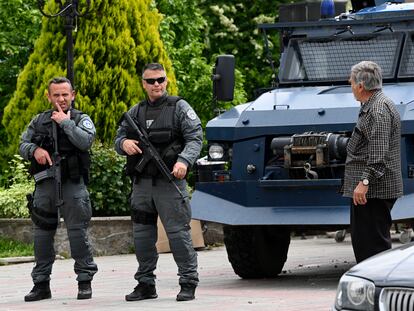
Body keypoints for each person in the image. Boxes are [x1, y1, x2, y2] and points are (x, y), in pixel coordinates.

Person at [114, 63, 203, 302]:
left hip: (170, 183)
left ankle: (188, 282)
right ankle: (145, 284)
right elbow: (118, 137)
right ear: (143, 83)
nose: (157, 84)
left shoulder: (179, 107)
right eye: (151, 81)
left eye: (160, 80)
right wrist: (123, 144)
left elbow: (195, 137)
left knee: (178, 234)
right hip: (142, 185)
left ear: (166, 80)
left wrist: (184, 161)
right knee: (142, 236)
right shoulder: (136, 111)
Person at [20, 77, 98, 301]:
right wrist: (34, 150)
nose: (61, 99)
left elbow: (85, 142)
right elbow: (23, 143)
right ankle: (41, 284)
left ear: (73, 95)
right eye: (56, 95)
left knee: (77, 234)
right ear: (48, 96)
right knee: (42, 235)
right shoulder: (39, 121)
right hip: (45, 184)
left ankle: (84, 281)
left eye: (65, 94)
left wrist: (66, 122)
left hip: (73, 184)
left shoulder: (81, 119)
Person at [343, 61, 403, 263]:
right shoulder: (372, 105)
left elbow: (378, 154)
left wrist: (364, 183)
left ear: (361, 86)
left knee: (373, 247)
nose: (350, 85)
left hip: (374, 190)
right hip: (369, 191)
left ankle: (378, 289)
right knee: (364, 242)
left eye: (351, 82)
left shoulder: (378, 110)